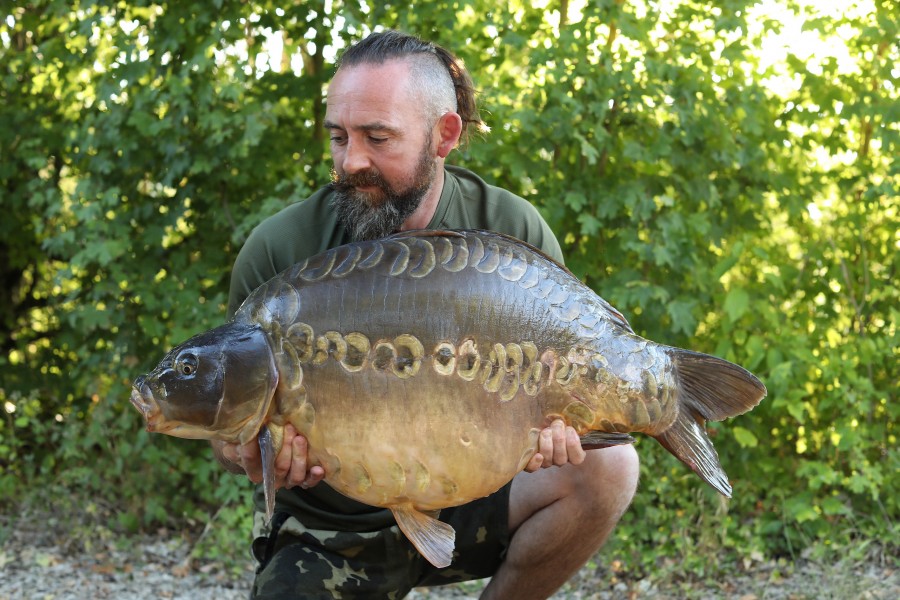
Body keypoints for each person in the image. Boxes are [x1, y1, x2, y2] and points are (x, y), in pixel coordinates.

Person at [212, 29, 639, 600]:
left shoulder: (511, 232)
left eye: (377, 137)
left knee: (609, 467)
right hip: (331, 530)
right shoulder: (280, 251)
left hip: (474, 498)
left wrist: (562, 430)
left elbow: (563, 385)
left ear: (445, 134)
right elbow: (226, 429)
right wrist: (250, 453)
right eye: (338, 137)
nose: (351, 161)